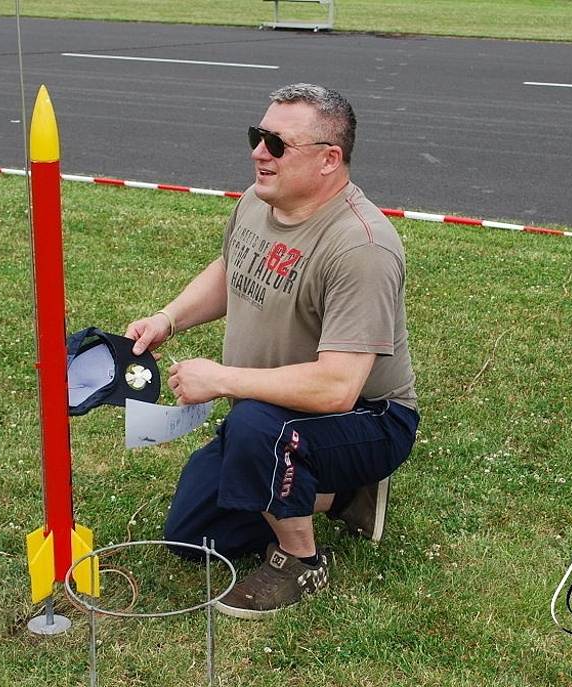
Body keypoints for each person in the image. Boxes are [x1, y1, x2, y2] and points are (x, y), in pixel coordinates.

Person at [126, 83, 419, 620]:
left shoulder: (362, 248)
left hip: (369, 418)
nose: (260, 153)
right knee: (191, 534)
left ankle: (299, 560)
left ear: (329, 159)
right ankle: (345, 495)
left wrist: (222, 379)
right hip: (275, 411)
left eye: (278, 144)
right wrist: (169, 318)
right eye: (257, 137)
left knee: (256, 428)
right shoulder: (258, 201)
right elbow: (230, 269)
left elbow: (337, 388)